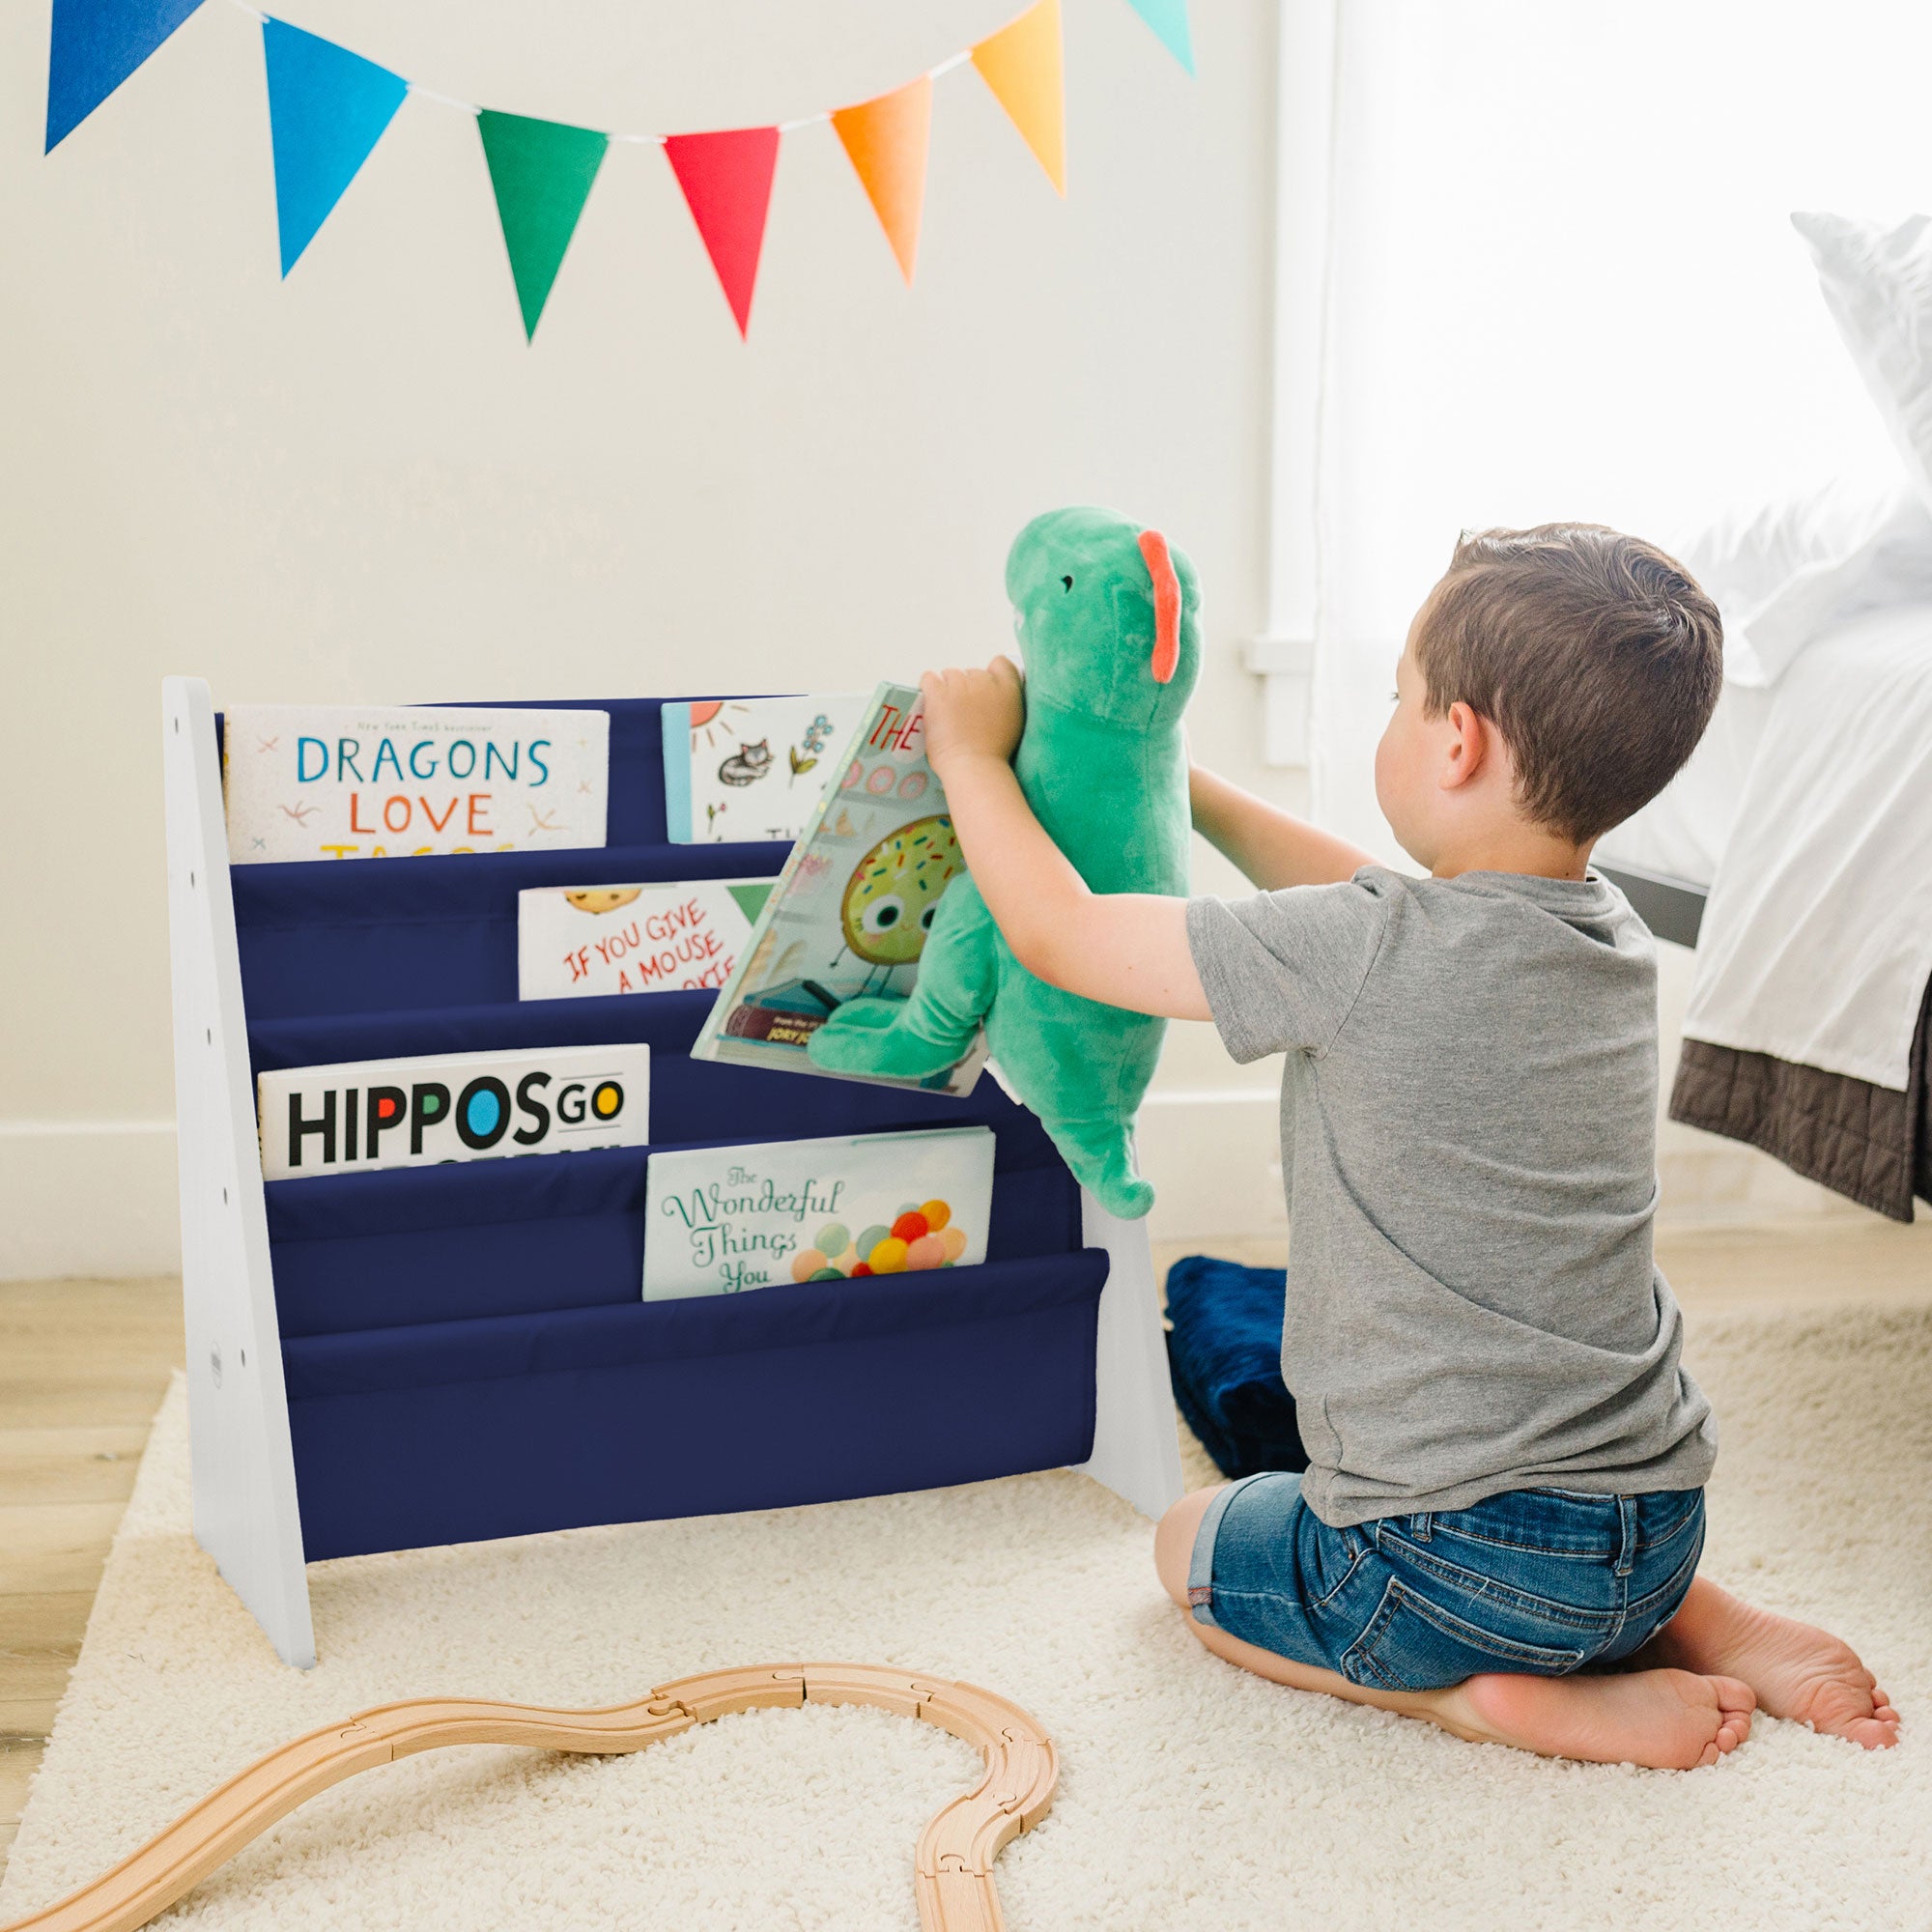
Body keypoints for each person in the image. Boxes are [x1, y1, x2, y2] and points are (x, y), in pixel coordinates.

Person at [918, 522, 1899, 1767]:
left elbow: (1065, 934)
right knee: (1550, 1508)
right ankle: (1700, 1619)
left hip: (1453, 1570)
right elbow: (1367, 897)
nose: (1389, 716)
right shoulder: (1606, 940)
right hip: (1657, 1525)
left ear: (1456, 740)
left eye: (1398, 698)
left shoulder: (1364, 951)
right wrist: (1181, 777)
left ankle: (1482, 1702)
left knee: (1188, 1549)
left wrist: (969, 760)